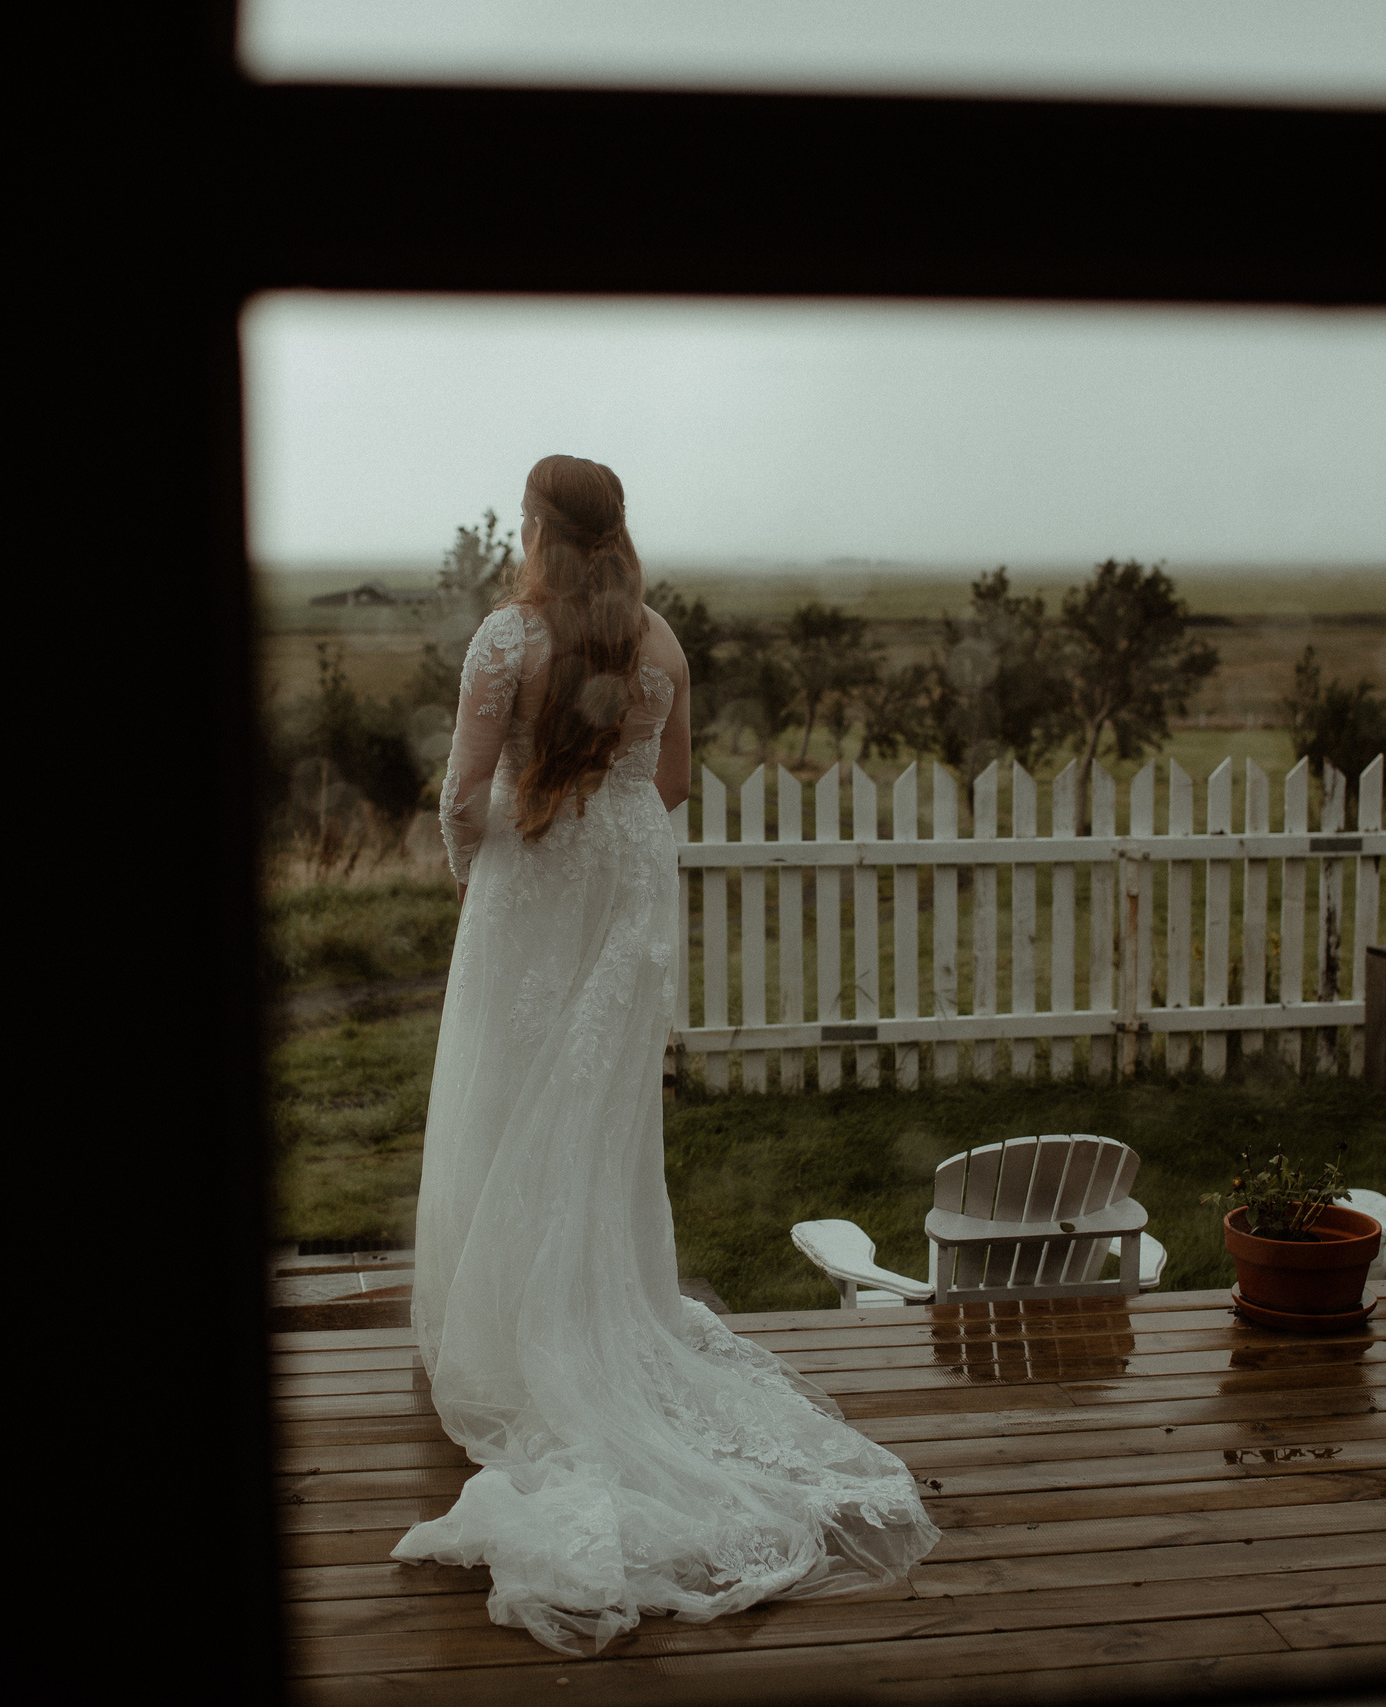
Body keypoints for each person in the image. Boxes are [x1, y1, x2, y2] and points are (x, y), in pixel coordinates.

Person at [393, 454, 938, 1655]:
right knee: (592, 1115)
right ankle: (600, 1302)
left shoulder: (504, 640)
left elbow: (461, 796)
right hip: (633, 882)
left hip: (535, 884)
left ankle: (517, 1320)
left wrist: (482, 881)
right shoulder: (661, 639)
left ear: (536, 527)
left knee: (509, 1095)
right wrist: (609, 803)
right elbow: (676, 780)